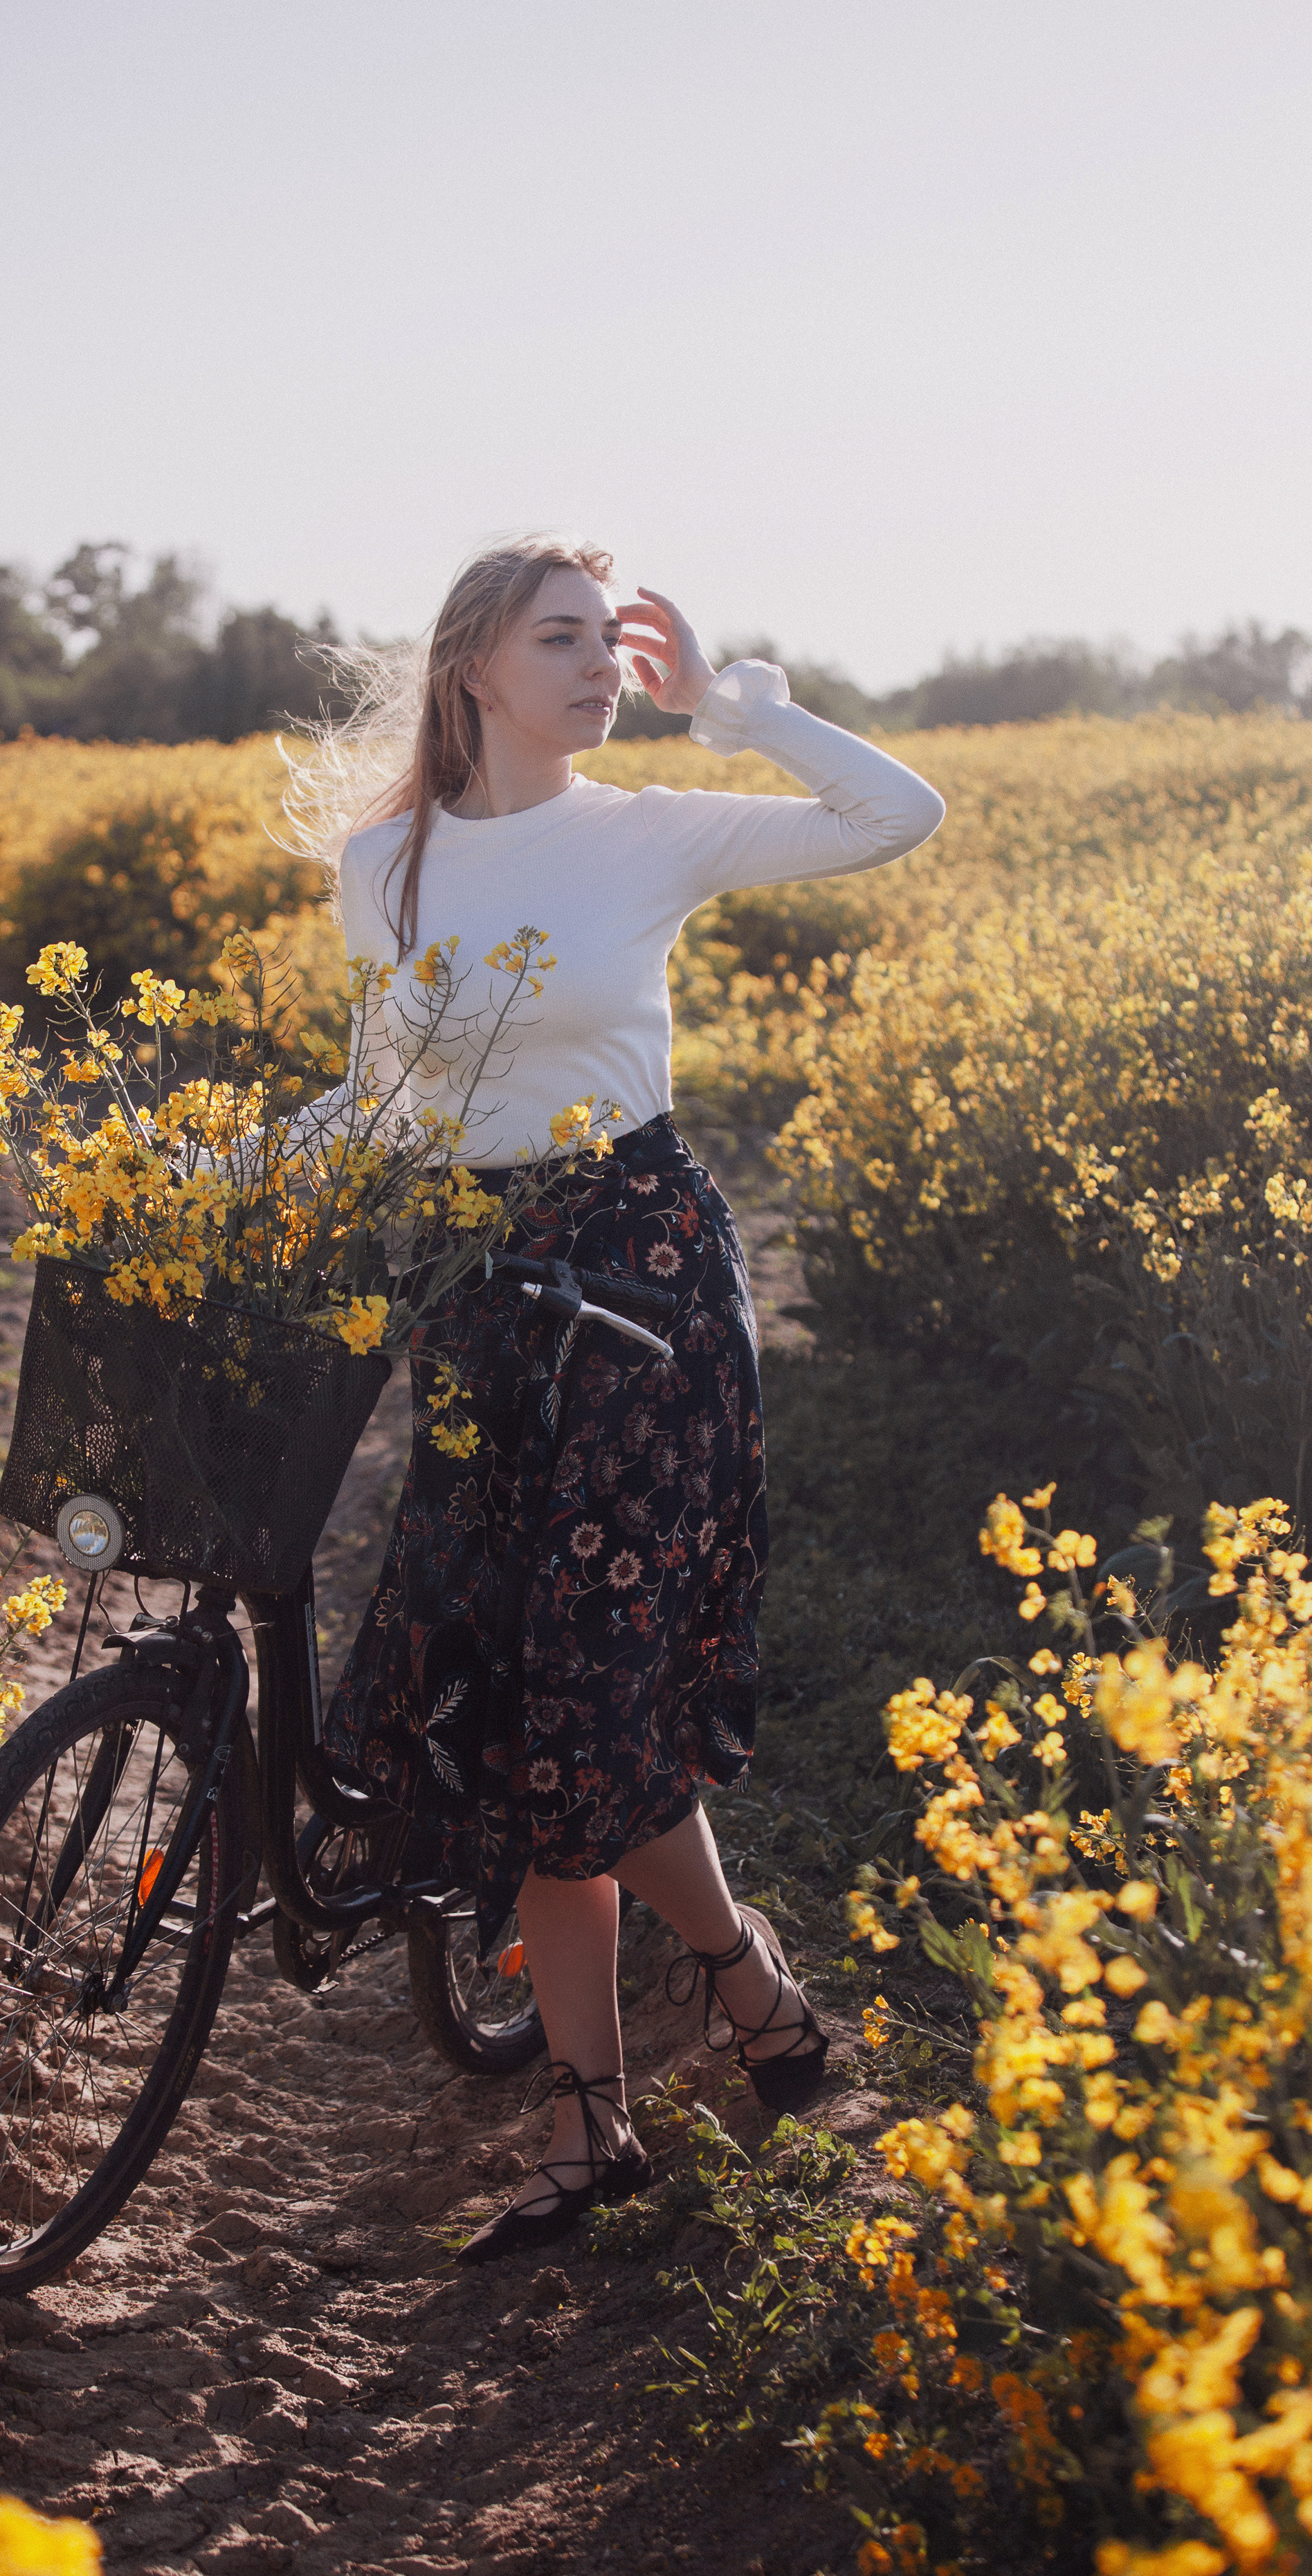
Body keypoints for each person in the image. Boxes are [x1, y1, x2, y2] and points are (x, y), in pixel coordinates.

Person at [298, 535, 945, 2262]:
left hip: (642, 1283)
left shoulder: (651, 825)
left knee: (585, 1673)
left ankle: (732, 1990)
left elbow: (901, 816)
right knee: (516, 1701)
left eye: (609, 639)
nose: (597, 665)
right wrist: (202, 1182)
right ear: (473, 670)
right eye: (561, 638)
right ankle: (615, 2107)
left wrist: (741, 713)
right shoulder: (385, 865)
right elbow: (375, 1091)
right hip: (482, 1296)